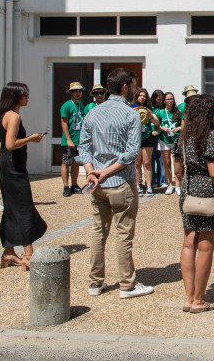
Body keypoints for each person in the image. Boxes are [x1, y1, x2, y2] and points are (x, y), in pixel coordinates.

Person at [79, 68, 154, 299]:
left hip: (97, 184)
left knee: (98, 232)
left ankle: (95, 283)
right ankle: (127, 285)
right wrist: (103, 172)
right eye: (133, 85)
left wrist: (92, 172)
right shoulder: (131, 114)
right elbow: (131, 153)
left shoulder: (92, 113)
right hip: (120, 181)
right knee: (123, 233)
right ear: (124, 87)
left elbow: (84, 146)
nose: (136, 89)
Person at [172, 94, 214, 313]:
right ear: (209, 112)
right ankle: (198, 299)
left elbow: (178, 169)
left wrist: (187, 185)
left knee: (189, 243)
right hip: (209, 191)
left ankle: (189, 297)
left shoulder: (183, 136)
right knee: (205, 246)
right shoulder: (212, 136)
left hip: (188, 191)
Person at [0, 82, 46, 269]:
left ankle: (8, 253)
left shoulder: (3, 115)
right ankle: (28, 255)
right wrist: (31, 139)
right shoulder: (14, 116)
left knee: (11, 208)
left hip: (7, 166)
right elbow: (10, 144)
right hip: (13, 168)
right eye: (25, 94)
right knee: (24, 207)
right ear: (16, 96)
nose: (28, 97)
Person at [132, 88, 161, 197]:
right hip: (136, 137)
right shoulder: (132, 107)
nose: (142, 98)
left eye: (144, 96)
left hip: (148, 136)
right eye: (140, 95)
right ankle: (137, 185)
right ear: (136, 96)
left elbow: (157, 122)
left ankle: (149, 186)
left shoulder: (149, 109)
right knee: (137, 163)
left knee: (147, 162)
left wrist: (150, 116)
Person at [60, 81, 85, 197]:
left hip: (79, 139)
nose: (78, 93)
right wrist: (68, 139)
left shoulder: (82, 105)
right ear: (71, 93)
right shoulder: (66, 106)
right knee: (66, 163)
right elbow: (64, 123)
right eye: (75, 91)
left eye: (79, 91)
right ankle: (66, 186)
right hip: (68, 140)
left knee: (76, 163)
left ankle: (74, 185)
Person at [156, 92, 182, 195]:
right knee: (166, 162)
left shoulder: (177, 112)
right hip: (164, 139)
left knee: (177, 162)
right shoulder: (161, 112)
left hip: (175, 139)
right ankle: (169, 185)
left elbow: (182, 124)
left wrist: (178, 128)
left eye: (171, 99)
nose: (170, 101)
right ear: (164, 101)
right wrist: (162, 128)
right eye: (168, 99)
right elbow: (156, 126)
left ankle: (178, 185)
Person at [150, 89, 166, 192]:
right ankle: (152, 181)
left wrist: (159, 131)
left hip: (161, 136)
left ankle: (162, 180)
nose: (160, 101)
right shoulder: (150, 108)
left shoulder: (163, 110)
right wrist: (152, 131)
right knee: (151, 159)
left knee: (161, 159)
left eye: (161, 100)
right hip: (151, 135)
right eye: (158, 99)